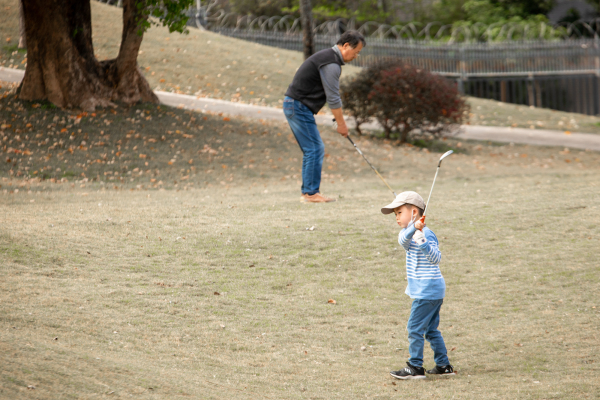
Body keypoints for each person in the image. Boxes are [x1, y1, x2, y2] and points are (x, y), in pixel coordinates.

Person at [283, 31, 365, 203]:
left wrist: (337, 120)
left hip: (296, 105)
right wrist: (342, 124)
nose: (356, 56)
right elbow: (333, 97)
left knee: (312, 148)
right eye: (356, 51)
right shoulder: (332, 63)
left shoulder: (329, 59)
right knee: (314, 148)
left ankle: (309, 192)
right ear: (345, 46)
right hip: (297, 106)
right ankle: (310, 194)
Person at [381, 191, 455, 380]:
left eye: (399, 213)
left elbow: (436, 258)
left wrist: (423, 242)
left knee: (414, 328)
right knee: (430, 330)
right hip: (428, 291)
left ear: (414, 212)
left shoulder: (427, 234)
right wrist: (414, 228)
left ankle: (415, 367)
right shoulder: (407, 233)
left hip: (428, 291)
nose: (396, 218)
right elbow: (402, 240)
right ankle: (443, 365)